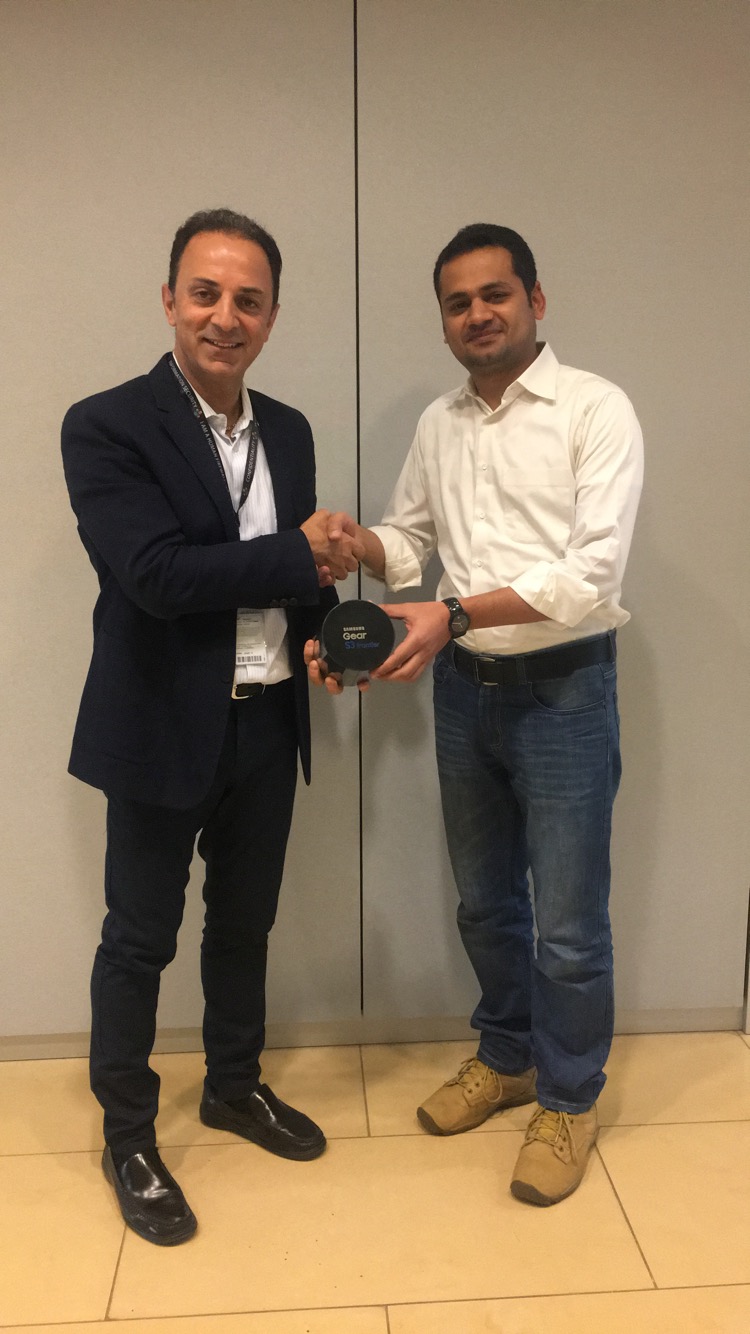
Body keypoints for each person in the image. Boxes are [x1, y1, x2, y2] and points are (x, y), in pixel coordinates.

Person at [307, 223, 643, 1206]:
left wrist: (451, 613)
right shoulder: (440, 424)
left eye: (495, 294)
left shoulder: (596, 409)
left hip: (567, 691)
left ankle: (570, 1096)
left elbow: (589, 577)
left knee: (569, 926)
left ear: (536, 299)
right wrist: (355, 544)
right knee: (486, 903)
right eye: (457, 302)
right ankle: (508, 1056)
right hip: (466, 693)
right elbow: (412, 545)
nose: (477, 314)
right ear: (445, 320)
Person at [62, 208, 361, 1245]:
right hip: (157, 727)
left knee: (244, 925)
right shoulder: (106, 424)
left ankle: (234, 1085)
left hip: (267, 723)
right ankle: (129, 1136)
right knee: (139, 938)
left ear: (271, 316)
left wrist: (332, 638)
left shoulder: (291, 429)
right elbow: (156, 575)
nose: (225, 317)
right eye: (205, 293)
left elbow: (302, 579)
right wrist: (302, 553)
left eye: (248, 300)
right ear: (169, 300)